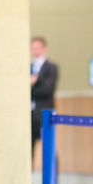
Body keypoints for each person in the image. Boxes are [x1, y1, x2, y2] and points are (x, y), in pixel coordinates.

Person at [30, 36, 58, 171]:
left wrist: (32, 84)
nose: (36, 50)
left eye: (38, 47)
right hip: (30, 114)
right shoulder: (28, 67)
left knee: (49, 149)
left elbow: (47, 89)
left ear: (44, 48)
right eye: (33, 48)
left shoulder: (51, 68)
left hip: (44, 113)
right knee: (27, 150)